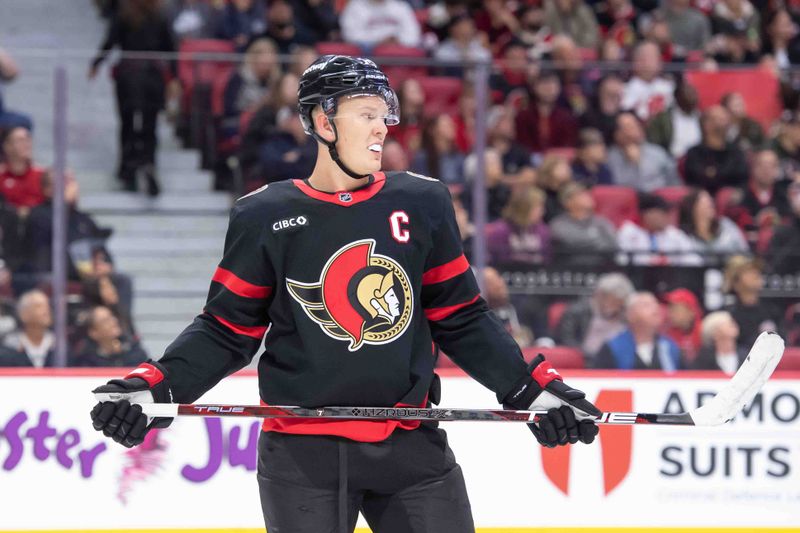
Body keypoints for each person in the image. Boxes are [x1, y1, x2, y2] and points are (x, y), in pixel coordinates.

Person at [89, 55, 600, 532]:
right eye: (367, 113)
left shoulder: (422, 202)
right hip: (301, 455)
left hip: (410, 443)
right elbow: (226, 330)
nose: (383, 127)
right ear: (324, 122)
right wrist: (155, 384)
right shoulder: (264, 215)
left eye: (385, 114)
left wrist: (531, 389)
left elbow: (461, 317)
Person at [89, 0, 177, 196]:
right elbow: (171, 48)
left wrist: (96, 63)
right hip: (153, 76)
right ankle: (148, 164)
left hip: (128, 74)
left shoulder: (124, 13)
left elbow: (110, 41)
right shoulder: (160, 15)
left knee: (127, 124)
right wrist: (174, 78)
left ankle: (127, 170)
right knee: (149, 125)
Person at [556, 272, 635, 363]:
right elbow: (565, 341)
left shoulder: (627, 315)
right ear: (599, 295)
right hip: (585, 361)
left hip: (617, 362)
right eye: (612, 300)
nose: (615, 306)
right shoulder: (577, 312)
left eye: (619, 302)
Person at [595, 291, 682, 370]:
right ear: (630, 315)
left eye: (656, 303)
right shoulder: (612, 348)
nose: (655, 308)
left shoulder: (670, 348)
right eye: (646, 305)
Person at [616, 192, 701, 266]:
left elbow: (695, 261)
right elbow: (621, 262)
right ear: (648, 214)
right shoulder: (629, 232)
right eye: (663, 212)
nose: (668, 217)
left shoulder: (674, 234)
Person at [683, 105, 749, 196]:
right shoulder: (694, 153)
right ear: (706, 124)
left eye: (725, 119)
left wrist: (714, 173)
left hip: (732, 202)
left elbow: (742, 178)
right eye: (719, 119)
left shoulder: (737, 152)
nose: (725, 122)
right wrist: (726, 174)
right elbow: (697, 179)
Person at [607, 111, 680, 192]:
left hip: (662, 200)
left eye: (636, 125)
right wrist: (634, 164)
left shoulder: (657, 152)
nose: (636, 130)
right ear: (617, 134)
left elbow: (674, 182)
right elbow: (618, 189)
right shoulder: (610, 158)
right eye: (629, 127)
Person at [550, 182, 618, 268]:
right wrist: (596, 241)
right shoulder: (558, 224)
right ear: (568, 202)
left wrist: (585, 245)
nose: (588, 197)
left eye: (588, 194)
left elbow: (613, 245)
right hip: (570, 271)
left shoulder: (602, 222)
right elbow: (570, 244)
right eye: (581, 195)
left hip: (601, 270)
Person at [485, 185, 551, 265]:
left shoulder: (543, 231)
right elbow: (495, 262)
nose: (542, 211)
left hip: (536, 275)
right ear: (523, 208)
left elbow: (547, 261)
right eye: (538, 207)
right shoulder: (500, 231)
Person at [71, 305, 148, 367]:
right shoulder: (87, 362)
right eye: (105, 320)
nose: (113, 321)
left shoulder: (134, 351)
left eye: (112, 317)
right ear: (93, 332)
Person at [1, 289, 55, 367]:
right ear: (23, 314)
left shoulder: (59, 347)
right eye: (38, 306)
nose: (46, 311)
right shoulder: (9, 347)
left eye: (47, 306)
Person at [0, 126, 46, 211]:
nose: (26, 144)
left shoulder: (42, 175)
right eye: (20, 140)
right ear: (7, 146)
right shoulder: (1, 176)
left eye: (28, 139)